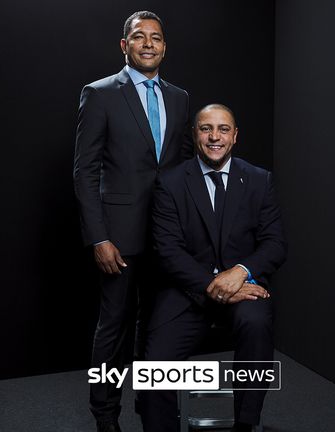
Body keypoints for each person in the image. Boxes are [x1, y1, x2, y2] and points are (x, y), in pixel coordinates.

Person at [73, 10, 193, 432]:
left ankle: (150, 405)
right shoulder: (101, 93)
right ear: (125, 46)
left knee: (157, 327)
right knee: (114, 329)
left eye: (156, 38)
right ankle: (105, 415)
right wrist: (98, 237)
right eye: (139, 37)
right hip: (118, 237)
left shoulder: (178, 98)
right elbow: (84, 171)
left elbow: (180, 170)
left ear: (164, 46)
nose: (148, 44)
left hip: (166, 237)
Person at [139, 104, 287, 431]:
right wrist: (213, 284)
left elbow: (275, 244)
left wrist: (239, 272)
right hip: (186, 292)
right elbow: (167, 251)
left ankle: (246, 424)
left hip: (243, 288)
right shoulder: (171, 183)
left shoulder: (260, 181)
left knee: (256, 326)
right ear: (195, 135)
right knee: (153, 367)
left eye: (223, 129)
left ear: (235, 136)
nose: (214, 136)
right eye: (206, 129)